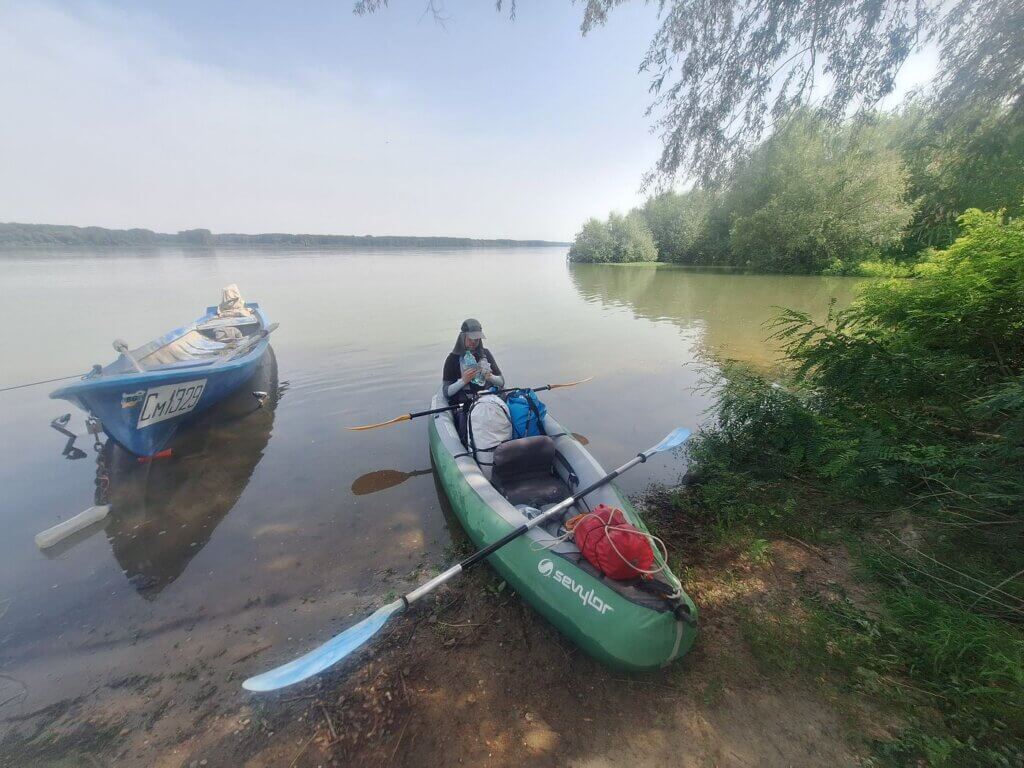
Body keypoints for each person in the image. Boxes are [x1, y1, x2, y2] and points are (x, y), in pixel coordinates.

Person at [443, 319, 504, 438]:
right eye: (470, 339)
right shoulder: (452, 359)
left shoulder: (485, 354)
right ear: (462, 337)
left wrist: (490, 377)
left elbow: (501, 382)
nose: (473, 342)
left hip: (488, 400)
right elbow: (446, 392)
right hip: (464, 404)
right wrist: (463, 381)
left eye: (476, 339)